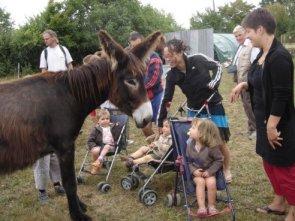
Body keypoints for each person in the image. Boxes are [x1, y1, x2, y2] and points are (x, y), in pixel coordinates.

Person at [230, 8, 295, 221]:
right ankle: (279, 202)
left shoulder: (280, 58)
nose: (246, 36)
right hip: (263, 120)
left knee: (284, 167)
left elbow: (282, 94)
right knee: (269, 162)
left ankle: (293, 210)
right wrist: (245, 84)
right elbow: (260, 80)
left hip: (278, 124)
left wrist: (271, 126)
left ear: (260, 29)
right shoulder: (262, 54)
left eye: (248, 31)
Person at [158, 39, 232, 182]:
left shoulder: (197, 59)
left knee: (220, 141)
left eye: (170, 55)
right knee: (195, 141)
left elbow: (217, 65)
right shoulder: (172, 75)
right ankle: (201, 168)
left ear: (180, 52)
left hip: (213, 104)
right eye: (166, 57)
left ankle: (226, 168)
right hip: (194, 109)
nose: (168, 60)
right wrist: (161, 120)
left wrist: (215, 81)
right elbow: (166, 99)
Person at [33, 29, 74, 204]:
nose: (45, 41)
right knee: (42, 152)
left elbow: (71, 69)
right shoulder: (44, 53)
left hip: (65, 97)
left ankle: (58, 183)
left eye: (47, 38)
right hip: (50, 96)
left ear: (54, 37)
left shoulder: (64, 50)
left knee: (60, 146)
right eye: (43, 39)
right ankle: (42, 189)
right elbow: (43, 74)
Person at [128, 31, 164, 142]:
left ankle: (164, 147)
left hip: (156, 96)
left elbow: (152, 80)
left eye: (138, 45)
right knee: (144, 126)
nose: (136, 48)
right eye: (133, 46)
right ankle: (154, 147)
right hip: (142, 98)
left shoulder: (154, 58)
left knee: (161, 125)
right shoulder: (131, 60)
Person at [186, 118, 224, 217]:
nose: (190, 129)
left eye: (193, 128)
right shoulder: (190, 145)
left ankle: (211, 206)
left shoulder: (212, 147)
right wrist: (194, 171)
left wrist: (210, 171)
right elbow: (188, 161)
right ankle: (202, 207)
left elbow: (219, 160)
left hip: (209, 171)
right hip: (196, 172)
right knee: (200, 182)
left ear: (202, 133)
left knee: (211, 182)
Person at [232, 25, 260, 140]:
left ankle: (258, 131)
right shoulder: (241, 46)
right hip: (241, 83)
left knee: (251, 106)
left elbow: (255, 66)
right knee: (246, 106)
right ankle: (251, 128)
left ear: (245, 33)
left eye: (240, 34)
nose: (238, 37)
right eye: (236, 36)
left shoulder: (251, 46)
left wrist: (248, 81)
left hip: (249, 84)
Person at [87, 109, 123, 174]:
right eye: (103, 119)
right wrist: (93, 146)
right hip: (100, 146)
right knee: (95, 151)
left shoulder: (113, 126)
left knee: (107, 146)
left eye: (107, 118)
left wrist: (118, 125)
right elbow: (90, 140)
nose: (105, 120)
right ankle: (97, 167)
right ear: (98, 121)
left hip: (111, 146)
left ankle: (98, 161)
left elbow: (119, 135)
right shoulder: (96, 129)